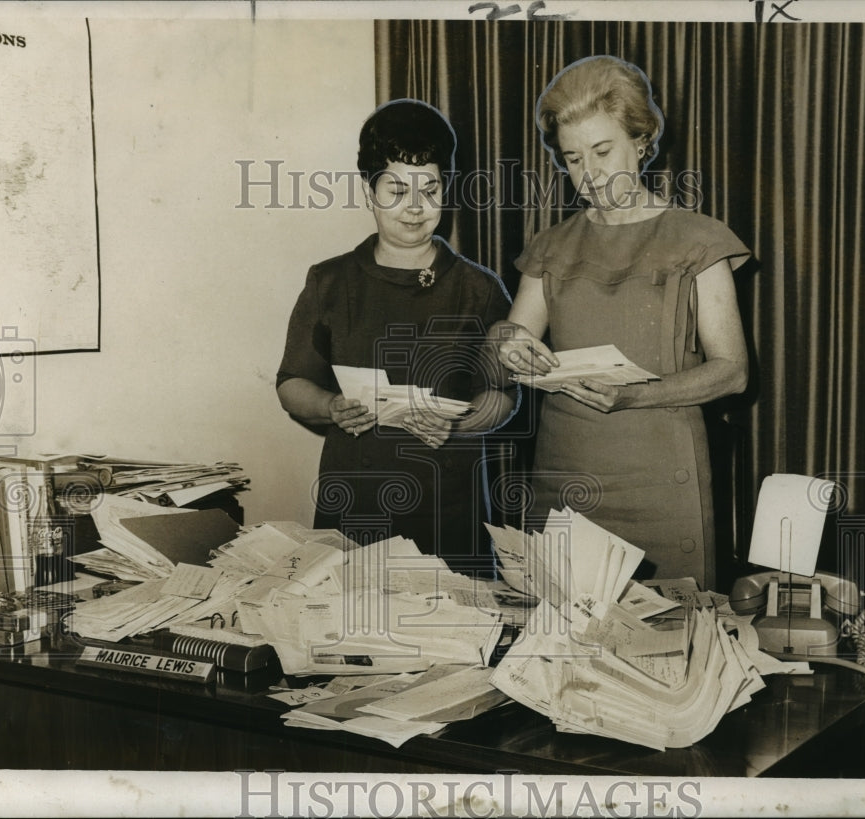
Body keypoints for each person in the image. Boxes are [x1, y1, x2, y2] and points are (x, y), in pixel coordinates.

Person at [491, 56, 751, 591]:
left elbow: (733, 372)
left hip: (663, 479)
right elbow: (510, 340)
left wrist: (632, 395)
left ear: (641, 139)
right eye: (574, 158)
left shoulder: (698, 238)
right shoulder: (552, 246)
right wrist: (505, 344)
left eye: (604, 151)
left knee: (667, 646)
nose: (591, 174)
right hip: (565, 480)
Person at [276, 99, 515, 575]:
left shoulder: (480, 288)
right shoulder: (330, 282)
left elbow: (504, 397)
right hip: (355, 506)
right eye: (396, 188)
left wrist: (460, 424)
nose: (415, 207)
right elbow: (291, 383)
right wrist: (329, 407)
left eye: (430, 188)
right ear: (369, 191)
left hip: (451, 510)